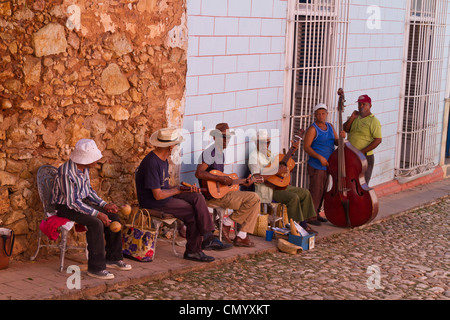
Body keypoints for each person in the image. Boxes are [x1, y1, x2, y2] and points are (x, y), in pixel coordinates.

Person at [135, 128, 231, 263]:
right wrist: (178, 190)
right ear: (170, 146)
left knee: (197, 197)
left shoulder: (163, 160)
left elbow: (165, 188)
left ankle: (208, 237)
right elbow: (157, 195)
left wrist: (184, 189)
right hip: (154, 202)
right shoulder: (152, 162)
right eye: (176, 144)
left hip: (165, 197)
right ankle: (194, 250)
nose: (176, 147)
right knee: (193, 211)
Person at [51, 139, 131, 280]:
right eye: (94, 158)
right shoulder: (66, 172)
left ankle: (113, 258)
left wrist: (104, 205)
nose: (97, 161)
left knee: (114, 218)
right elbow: (72, 202)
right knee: (96, 223)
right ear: (84, 159)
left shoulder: (84, 168)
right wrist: (97, 213)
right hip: (65, 207)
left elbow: (88, 191)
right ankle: (96, 268)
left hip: (80, 202)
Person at [195, 123, 260, 247]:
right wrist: (221, 178)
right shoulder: (211, 153)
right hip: (212, 198)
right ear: (215, 137)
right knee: (254, 199)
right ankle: (230, 226)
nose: (226, 140)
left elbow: (223, 182)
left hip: (220, 194)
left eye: (228, 137)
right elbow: (199, 173)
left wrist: (242, 182)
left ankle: (239, 233)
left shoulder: (220, 154)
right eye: (223, 137)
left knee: (254, 199)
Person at [248, 130, 318, 234]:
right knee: (294, 198)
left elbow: (281, 164)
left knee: (305, 193)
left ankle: (304, 223)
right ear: (256, 143)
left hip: (279, 185)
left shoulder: (269, 154)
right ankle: (295, 228)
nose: (265, 145)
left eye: (267, 142)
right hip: (268, 190)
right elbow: (257, 178)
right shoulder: (254, 157)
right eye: (262, 142)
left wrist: (292, 150)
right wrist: (276, 171)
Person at [303, 103, 342, 225]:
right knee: (316, 191)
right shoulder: (313, 129)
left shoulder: (330, 126)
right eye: (319, 114)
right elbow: (307, 147)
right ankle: (310, 216)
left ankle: (317, 213)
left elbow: (336, 141)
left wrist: (341, 138)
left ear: (326, 114)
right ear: (315, 115)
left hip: (328, 164)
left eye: (323, 113)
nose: (321, 116)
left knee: (323, 190)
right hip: (317, 165)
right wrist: (319, 157)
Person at [343, 94, 382, 185]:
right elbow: (346, 129)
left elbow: (378, 140)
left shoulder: (373, 121)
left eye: (364, 104)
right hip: (351, 155)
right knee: (350, 182)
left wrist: (361, 152)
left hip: (364, 157)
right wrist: (352, 117)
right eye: (359, 104)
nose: (361, 106)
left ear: (370, 106)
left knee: (362, 184)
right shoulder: (355, 117)